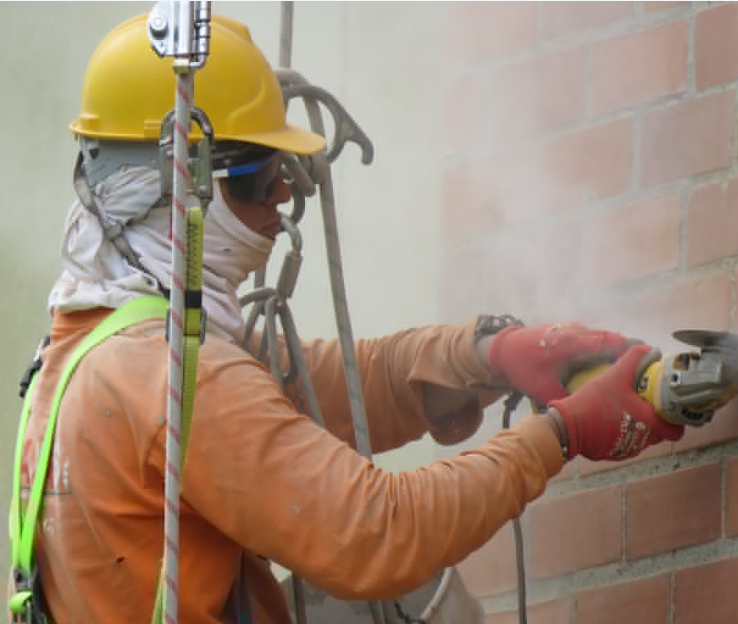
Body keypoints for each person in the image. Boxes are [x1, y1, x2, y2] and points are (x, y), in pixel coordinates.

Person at [8, 13, 684, 624]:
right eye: (254, 175)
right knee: (395, 602)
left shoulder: (88, 355)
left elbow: (312, 387)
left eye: (282, 169)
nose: (281, 195)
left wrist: (485, 354)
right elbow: (379, 534)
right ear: (173, 189)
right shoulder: (170, 376)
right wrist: (561, 436)